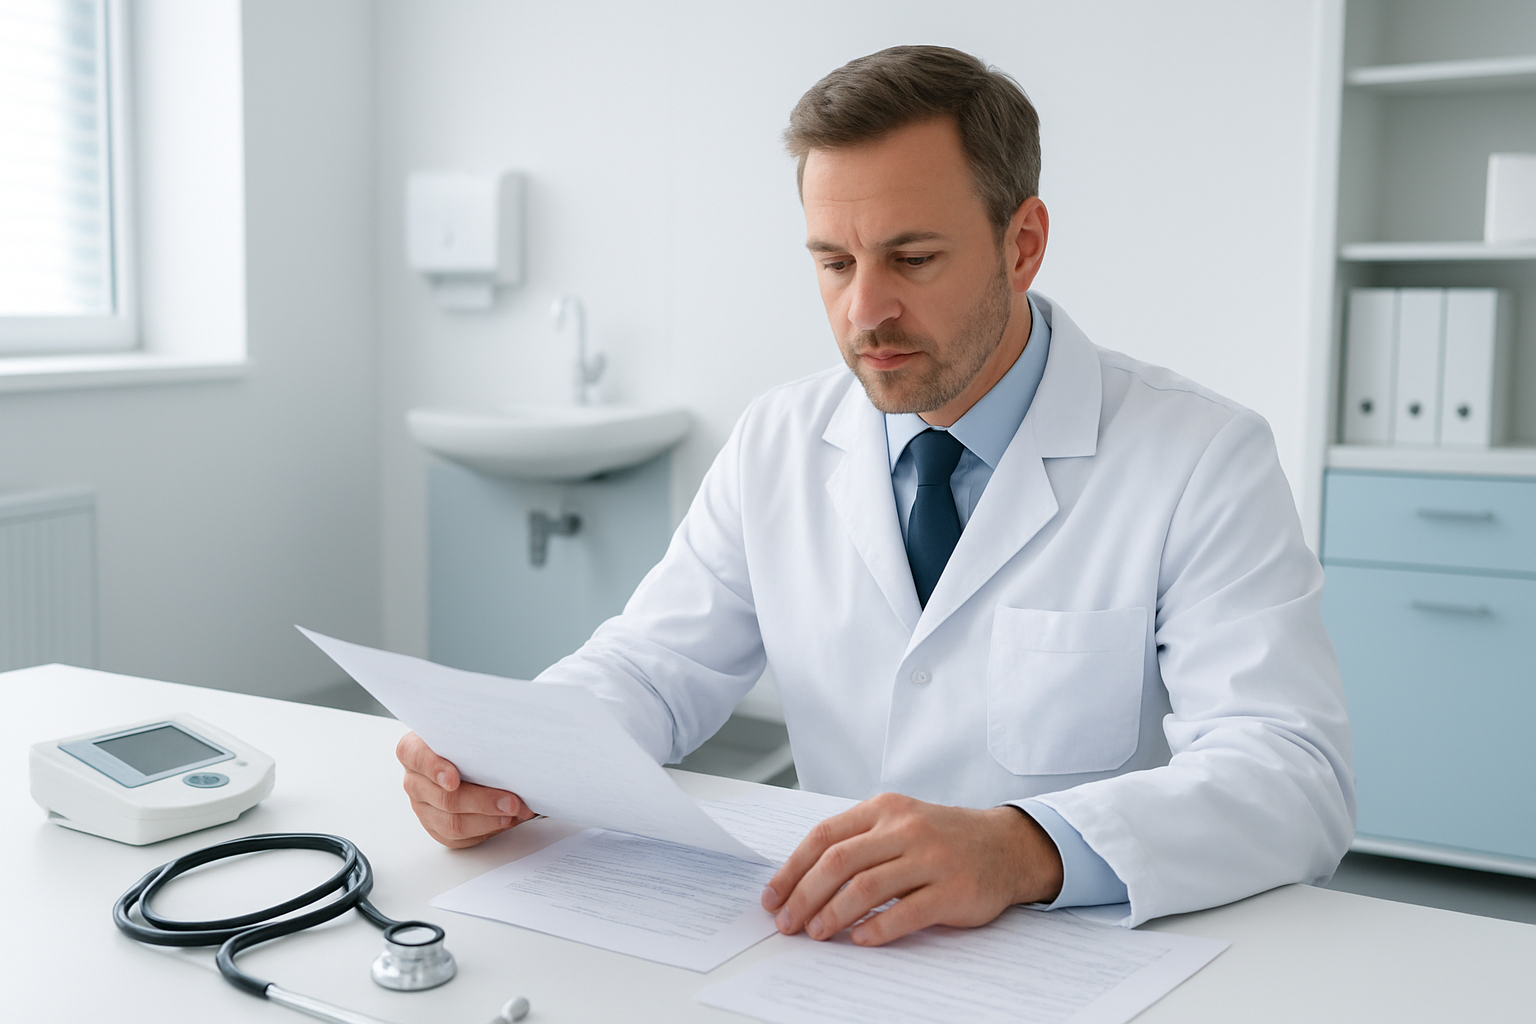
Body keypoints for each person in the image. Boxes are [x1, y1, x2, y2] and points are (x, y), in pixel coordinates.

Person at [397, 45, 1354, 945]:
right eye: (833, 262)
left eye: (914, 258)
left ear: (1023, 244)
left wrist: (1025, 846)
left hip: (1084, 948)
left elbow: (1291, 777)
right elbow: (654, 666)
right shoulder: (778, 438)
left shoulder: (1200, 456)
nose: (865, 313)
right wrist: (512, 757)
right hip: (834, 947)